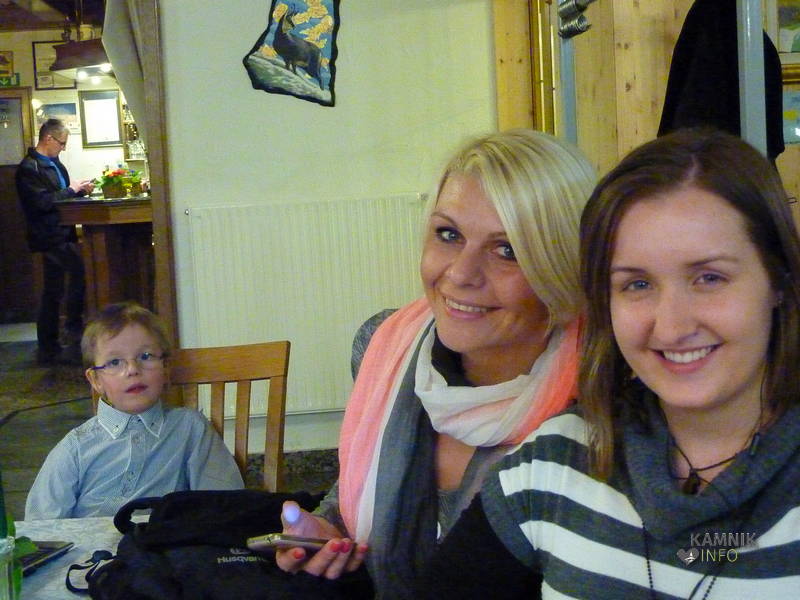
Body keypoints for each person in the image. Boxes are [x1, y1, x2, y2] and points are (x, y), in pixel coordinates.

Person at [418, 128, 800, 598]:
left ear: (778, 280)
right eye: (637, 284)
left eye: (709, 278)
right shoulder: (556, 462)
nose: (671, 327)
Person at [272, 129, 597, 598]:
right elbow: (354, 494)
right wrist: (326, 532)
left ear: (563, 267)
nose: (460, 273)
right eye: (449, 235)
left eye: (507, 250)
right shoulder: (385, 348)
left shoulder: (598, 405)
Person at [25, 301, 244, 520]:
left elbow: (225, 505)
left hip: (163, 538)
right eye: (114, 362)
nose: (132, 370)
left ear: (166, 368)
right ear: (96, 380)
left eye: (146, 356)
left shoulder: (190, 428)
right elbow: (41, 526)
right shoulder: (76, 447)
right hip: (90, 541)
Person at [15, 118, 95, 365]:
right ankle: (70, 328)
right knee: (76, 275)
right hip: (49, 235)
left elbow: (60, 198)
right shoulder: (29, 168)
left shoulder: (55, 164)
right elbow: (41, 203)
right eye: (61, 143)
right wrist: (71, 190)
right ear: (48, 138)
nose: (63, 148)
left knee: (54, 289)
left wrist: (79, 191)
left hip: (62, 232)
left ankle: (51, 344)